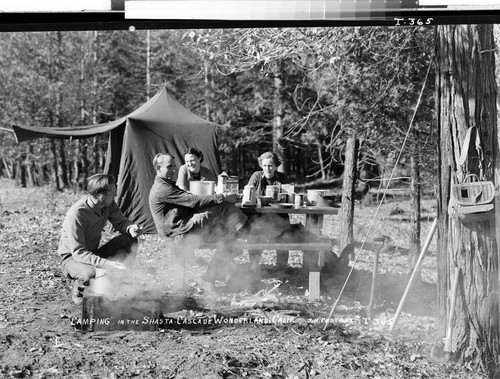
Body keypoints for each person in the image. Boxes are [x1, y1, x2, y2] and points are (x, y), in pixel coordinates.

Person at [148, 153, 248, 289]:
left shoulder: (166, 184)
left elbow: (190, 200)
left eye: (174, 166)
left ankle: (210, 276)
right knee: (222, 205)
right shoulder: (162, 189)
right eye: (170, 166)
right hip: (178, 234)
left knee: (229, 239)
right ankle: (247, 231)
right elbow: (192, 201)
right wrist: (222, 197)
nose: (174, 169)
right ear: (159, 168)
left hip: (182, 227)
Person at [58, 174, 143, 305]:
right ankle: (79, 288)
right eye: (113, 193)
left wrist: (131, 228)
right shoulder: (77, 215)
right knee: (89, 273)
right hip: (72, 258)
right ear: (101, 196)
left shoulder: (108, 204)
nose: (115, 196)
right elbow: (79, 253)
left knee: (129, 240)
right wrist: (109, 264)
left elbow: (121, 222)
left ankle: (121, 283)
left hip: (92, 253)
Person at [245, 152, 292, 271]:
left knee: (284, 236)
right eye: (265, 165)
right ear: (261, 165)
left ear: (276, 166)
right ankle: (254, 267)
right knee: (255, 233)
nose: (267, 169)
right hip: (258, 217)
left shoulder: (282, 178)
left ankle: (282, 268)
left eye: (270, 165)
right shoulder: (256, 176)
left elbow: (289, 198)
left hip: (279, 217)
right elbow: (247, 194)